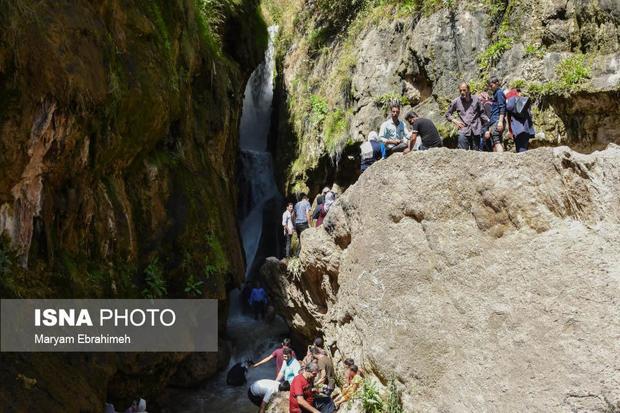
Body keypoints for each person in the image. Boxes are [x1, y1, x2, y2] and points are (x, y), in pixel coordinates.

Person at [446, 82, 488, 151]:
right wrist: (455, 121)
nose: (462, 92)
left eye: (464, 90)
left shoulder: (476, 99)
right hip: (463, 130)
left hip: (476, 130)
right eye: (460, 90)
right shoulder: (456, 101)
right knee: (462, 153)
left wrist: (488, 125)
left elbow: (482, 113)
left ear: (468, 90)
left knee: (476, 153)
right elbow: (448, 114)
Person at [485, 76, 506, 152]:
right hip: (495, 120)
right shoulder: (495, 94)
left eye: (491, 85)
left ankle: (500, 159)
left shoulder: (499, 93)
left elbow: (502, 107)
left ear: (497, 83)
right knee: (497, 141)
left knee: (497, 141)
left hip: (497, 120)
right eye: (489, 86)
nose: (490, 88)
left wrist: (500, 121)